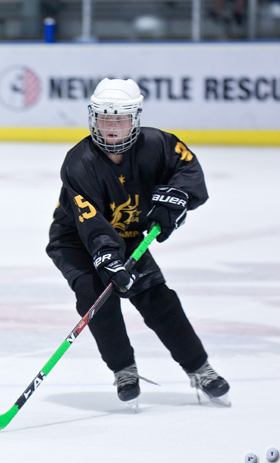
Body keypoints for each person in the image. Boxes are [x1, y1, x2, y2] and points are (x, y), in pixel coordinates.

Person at [45, 78, 230, 407]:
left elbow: (187, 168)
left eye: (120, 119)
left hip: (127, 237)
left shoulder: (158, 144)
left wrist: (177, 198)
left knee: (156, 297)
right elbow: (90, 221)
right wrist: (106, 258)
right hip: (76, 242)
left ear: (135, 118)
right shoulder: (79, 162)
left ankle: (199, 368)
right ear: (93, 118)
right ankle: (123, 370)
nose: (112, 127)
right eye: (104, 119)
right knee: (95, 296)